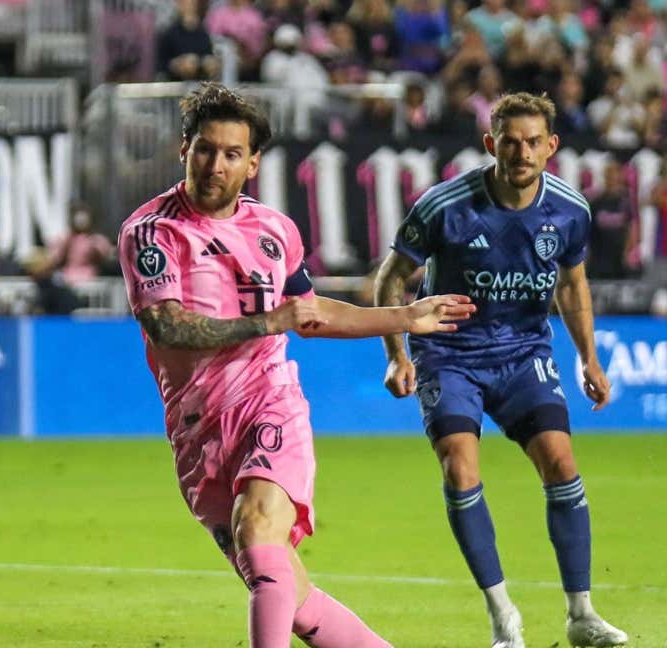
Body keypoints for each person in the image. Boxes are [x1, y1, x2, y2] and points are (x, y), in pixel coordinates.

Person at [118, 83, 474, 648]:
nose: (215, 164)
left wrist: (403, 316)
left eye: (232, 154)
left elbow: (309, 313)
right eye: (205, 149)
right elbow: (166, 325)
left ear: (253, 162)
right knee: (292, 597)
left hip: (269, 400)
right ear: (183, 149)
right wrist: (269, 321)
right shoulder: (152, 232)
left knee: (257, 527)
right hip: (198, 432)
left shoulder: (275, 230)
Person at [373, 92, 629, 648]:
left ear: (551, 146)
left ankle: (581, 614)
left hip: (523, 353)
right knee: (460, 469)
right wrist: (396, 353)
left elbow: (571, 284)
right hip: (450, 353)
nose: (521, 151)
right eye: (509, 141)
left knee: (561, 461)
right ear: (490, 145)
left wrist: (589, 357)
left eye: (534, 141)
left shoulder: (569, 210)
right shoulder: (444, 206)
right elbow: (391, 279)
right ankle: (502, 616)